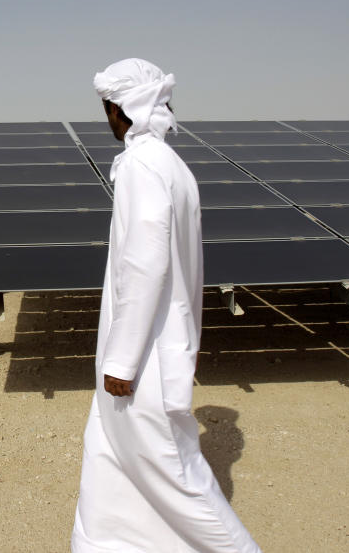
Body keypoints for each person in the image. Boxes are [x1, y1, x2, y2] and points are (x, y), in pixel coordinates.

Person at [71, 58, 262, 553]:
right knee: (111, 459)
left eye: (109, 109)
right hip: (153, 347)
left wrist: (121, 359)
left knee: (178, 482)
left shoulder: (141, 165)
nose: (108, 119)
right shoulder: (171, 165)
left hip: (146, 358)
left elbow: (146, 264)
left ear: (125, 108)